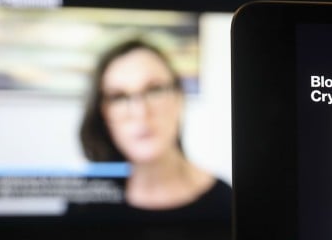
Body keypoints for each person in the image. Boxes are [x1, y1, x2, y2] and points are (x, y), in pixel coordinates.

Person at [79, 38, 230, 214]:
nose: (140, 112)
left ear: (179, 98)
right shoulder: (85, 202)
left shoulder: (227, 202)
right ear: (103, 113)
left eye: (154, 90)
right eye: (118, 97)